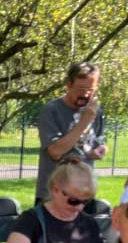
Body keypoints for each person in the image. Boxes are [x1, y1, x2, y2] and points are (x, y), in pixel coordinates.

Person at [35, 61, 106, 203]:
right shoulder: (51, 110)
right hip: (54, 195)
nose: (85, 94)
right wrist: (84, 122)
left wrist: (100, 150)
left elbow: (101, 141)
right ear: (69, 85)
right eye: (80, 89)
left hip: (84, 193)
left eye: (90, 89)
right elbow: (55, 152)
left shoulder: (95, 111)